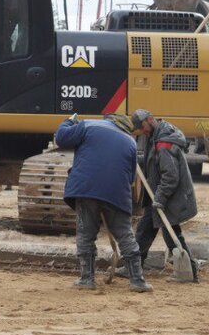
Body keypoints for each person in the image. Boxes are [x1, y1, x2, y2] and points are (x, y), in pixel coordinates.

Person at [57, 114, 151, 292]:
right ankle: (137, 281)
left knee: (86, 234)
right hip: (116, 194)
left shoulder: (88, 125)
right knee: (125, 235)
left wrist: (69, 121)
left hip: (86, 189)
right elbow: (131, 177)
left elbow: (61, 137)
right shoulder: (130, 142)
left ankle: (87, 280)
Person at [130, 109, 198, 279]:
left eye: (144, 127)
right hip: (159, 196)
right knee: (144, 231)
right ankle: (132, 268)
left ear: (151, 119)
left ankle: (190, 272)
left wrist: (159, 198)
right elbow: (153, 163)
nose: (143, 131)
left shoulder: (164, 142)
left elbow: (170, 176)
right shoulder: (154, 136)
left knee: (172, 235)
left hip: (168, 198)